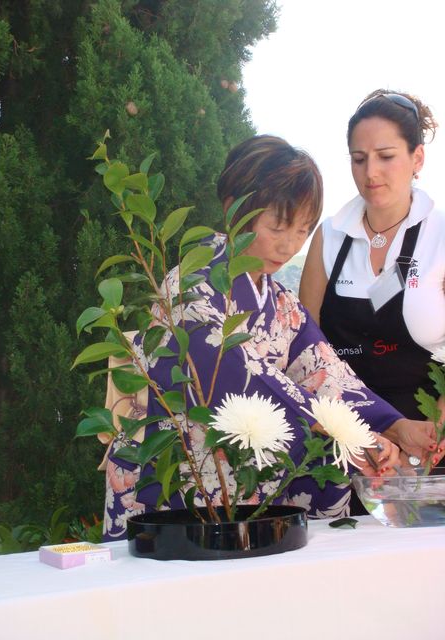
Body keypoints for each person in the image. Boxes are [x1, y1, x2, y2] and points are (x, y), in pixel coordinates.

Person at [102, 135, 440, 541]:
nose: (289, 245)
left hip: (233, 486)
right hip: (180, 483)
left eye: (301, 230)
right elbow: (247, 380)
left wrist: (392, 424)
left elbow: (323, 370)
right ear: (233, 210)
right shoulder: (193, 288)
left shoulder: (279, 301)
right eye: (277, 226)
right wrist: (345, 438)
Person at [299, 90, 445, 425]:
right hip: (343, 438)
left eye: (386, 156)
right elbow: (306, 349)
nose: (371, 173)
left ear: (417, 158)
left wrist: (434, 435)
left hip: (430, 444)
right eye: (359, 158)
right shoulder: (330, 236)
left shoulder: (440, 235)